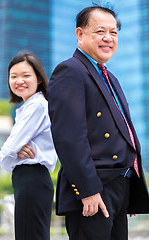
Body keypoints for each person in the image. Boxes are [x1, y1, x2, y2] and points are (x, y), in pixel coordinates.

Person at [47, 5, 149, 240]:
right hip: (94, 190)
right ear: (80, 35)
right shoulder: (70, 71)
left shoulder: (109, 77)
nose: (108, 38)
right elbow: (69, 138)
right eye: (100, 31)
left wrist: (129, 190)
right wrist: (88, 190)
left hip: (117, 186)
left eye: (114, 32)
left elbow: (124, 132)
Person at [0, 52, 57, 240]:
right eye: (13, 76)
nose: (19, 81)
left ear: (38, 78)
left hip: (32, 179)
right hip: (29, 181)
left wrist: (9, 155)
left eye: (26, 75)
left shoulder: (37, 106)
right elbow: (12, 150)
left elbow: (6, 153)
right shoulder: (27, 108)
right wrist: (13, 154)